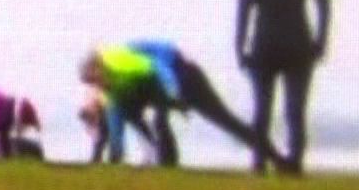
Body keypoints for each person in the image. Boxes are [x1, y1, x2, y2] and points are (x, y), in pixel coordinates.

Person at [81, 40, 291, 171]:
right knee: (145, 115)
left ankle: (276, 158)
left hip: (184, 75)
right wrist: (115, 154)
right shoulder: (109, 88)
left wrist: (174, 92)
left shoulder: (118, 59)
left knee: (225, 121)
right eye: (92, 84)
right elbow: (115, 118)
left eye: (94, 79)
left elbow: (156, 66)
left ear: (99, 66)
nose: (96, 85)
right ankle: (167, 164)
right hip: (159, 88)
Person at [235, 0, 330, 174]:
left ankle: (260, 161)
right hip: (299, 43)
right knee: (295, 110)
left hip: (265, 44)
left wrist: (240, 46)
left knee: (263, 109)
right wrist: (320, 40)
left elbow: (244, 8)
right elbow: (323, 1)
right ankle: (294, 162)